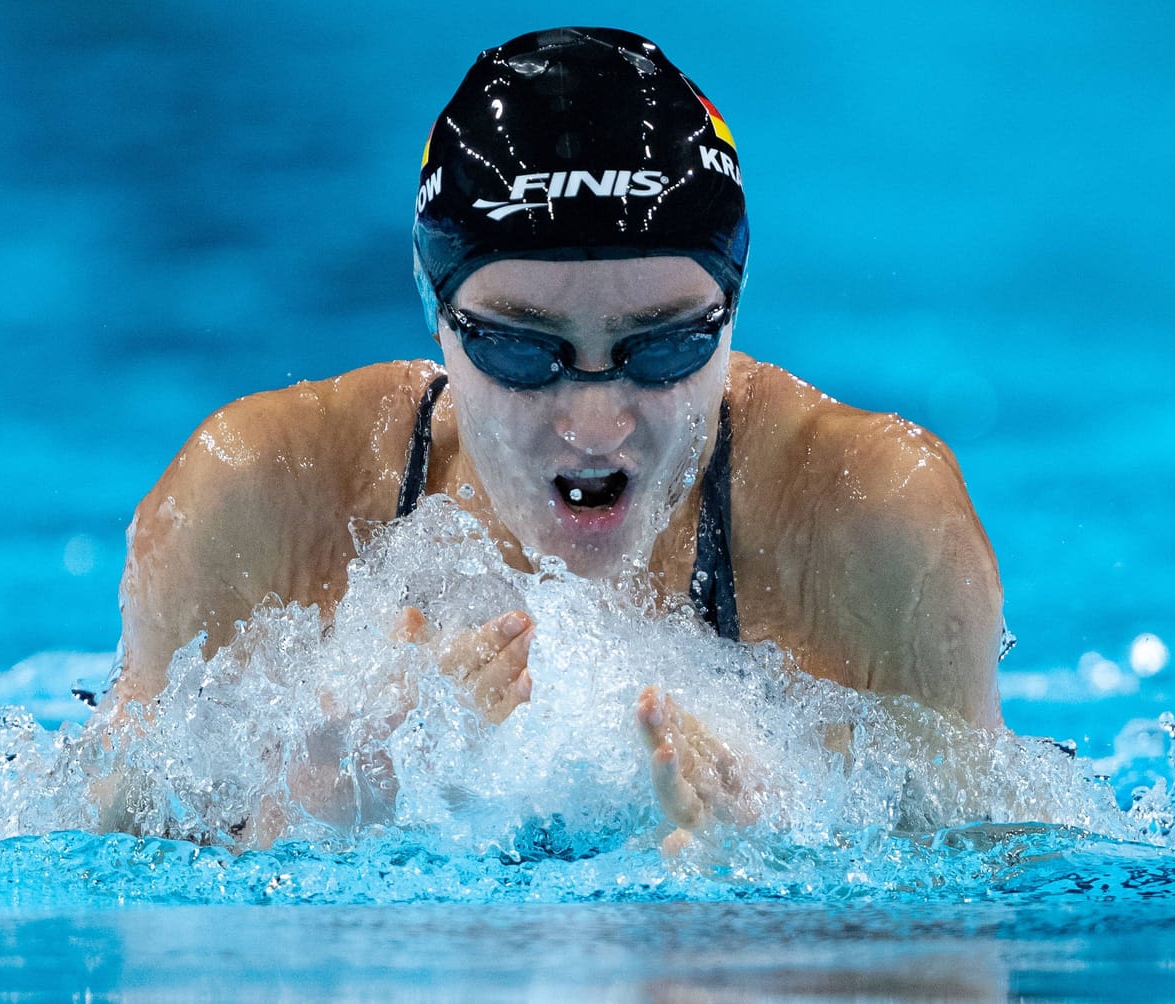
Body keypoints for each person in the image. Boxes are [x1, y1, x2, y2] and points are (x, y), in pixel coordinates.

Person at [107, 27, 1009, 844]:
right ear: (435, 309)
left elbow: (1005, 909)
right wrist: (307, 823)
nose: (593, 423)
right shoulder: (255, 499)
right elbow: (91, 876)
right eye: (519, 349)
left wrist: (788, 875)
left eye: (661, 347)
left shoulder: (875, 526)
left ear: (733, 311)